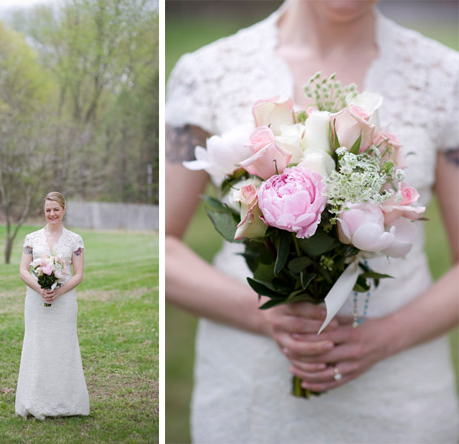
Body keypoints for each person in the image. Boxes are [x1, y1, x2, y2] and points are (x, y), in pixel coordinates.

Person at [165, 0, 459, 442]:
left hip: (400, 397)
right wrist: (262, 315)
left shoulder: (444, 77)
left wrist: (386, 337)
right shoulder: (207, 71)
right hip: (250, 392)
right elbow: (160, 245)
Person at [15, 191, 89, 419]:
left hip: (64, 300)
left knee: (63, 347)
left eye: (56, 209)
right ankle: (35, 401)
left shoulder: (74, 240)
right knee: (37, 345)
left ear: (64, 210)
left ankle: (66, 402)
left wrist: (58, 292)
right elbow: (23, 270)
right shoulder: (31, 239)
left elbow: (78, 275)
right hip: (36, 301)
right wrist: (40, 289)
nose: (52, 214)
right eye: (48, 210)